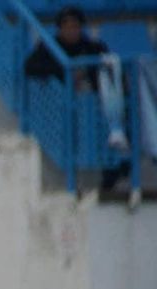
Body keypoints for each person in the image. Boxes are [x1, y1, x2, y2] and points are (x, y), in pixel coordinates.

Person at [24, 5, 129, 187]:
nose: (72, 31)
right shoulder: (50, 47)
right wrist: (64, 71)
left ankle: (115, 169)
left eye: (76, 26)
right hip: (62, 107)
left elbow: (111, 68)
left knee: (114, 120)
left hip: (94, 106)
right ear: (60, 28)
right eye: (68, 26)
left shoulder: (92, 47)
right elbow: (30, 67)